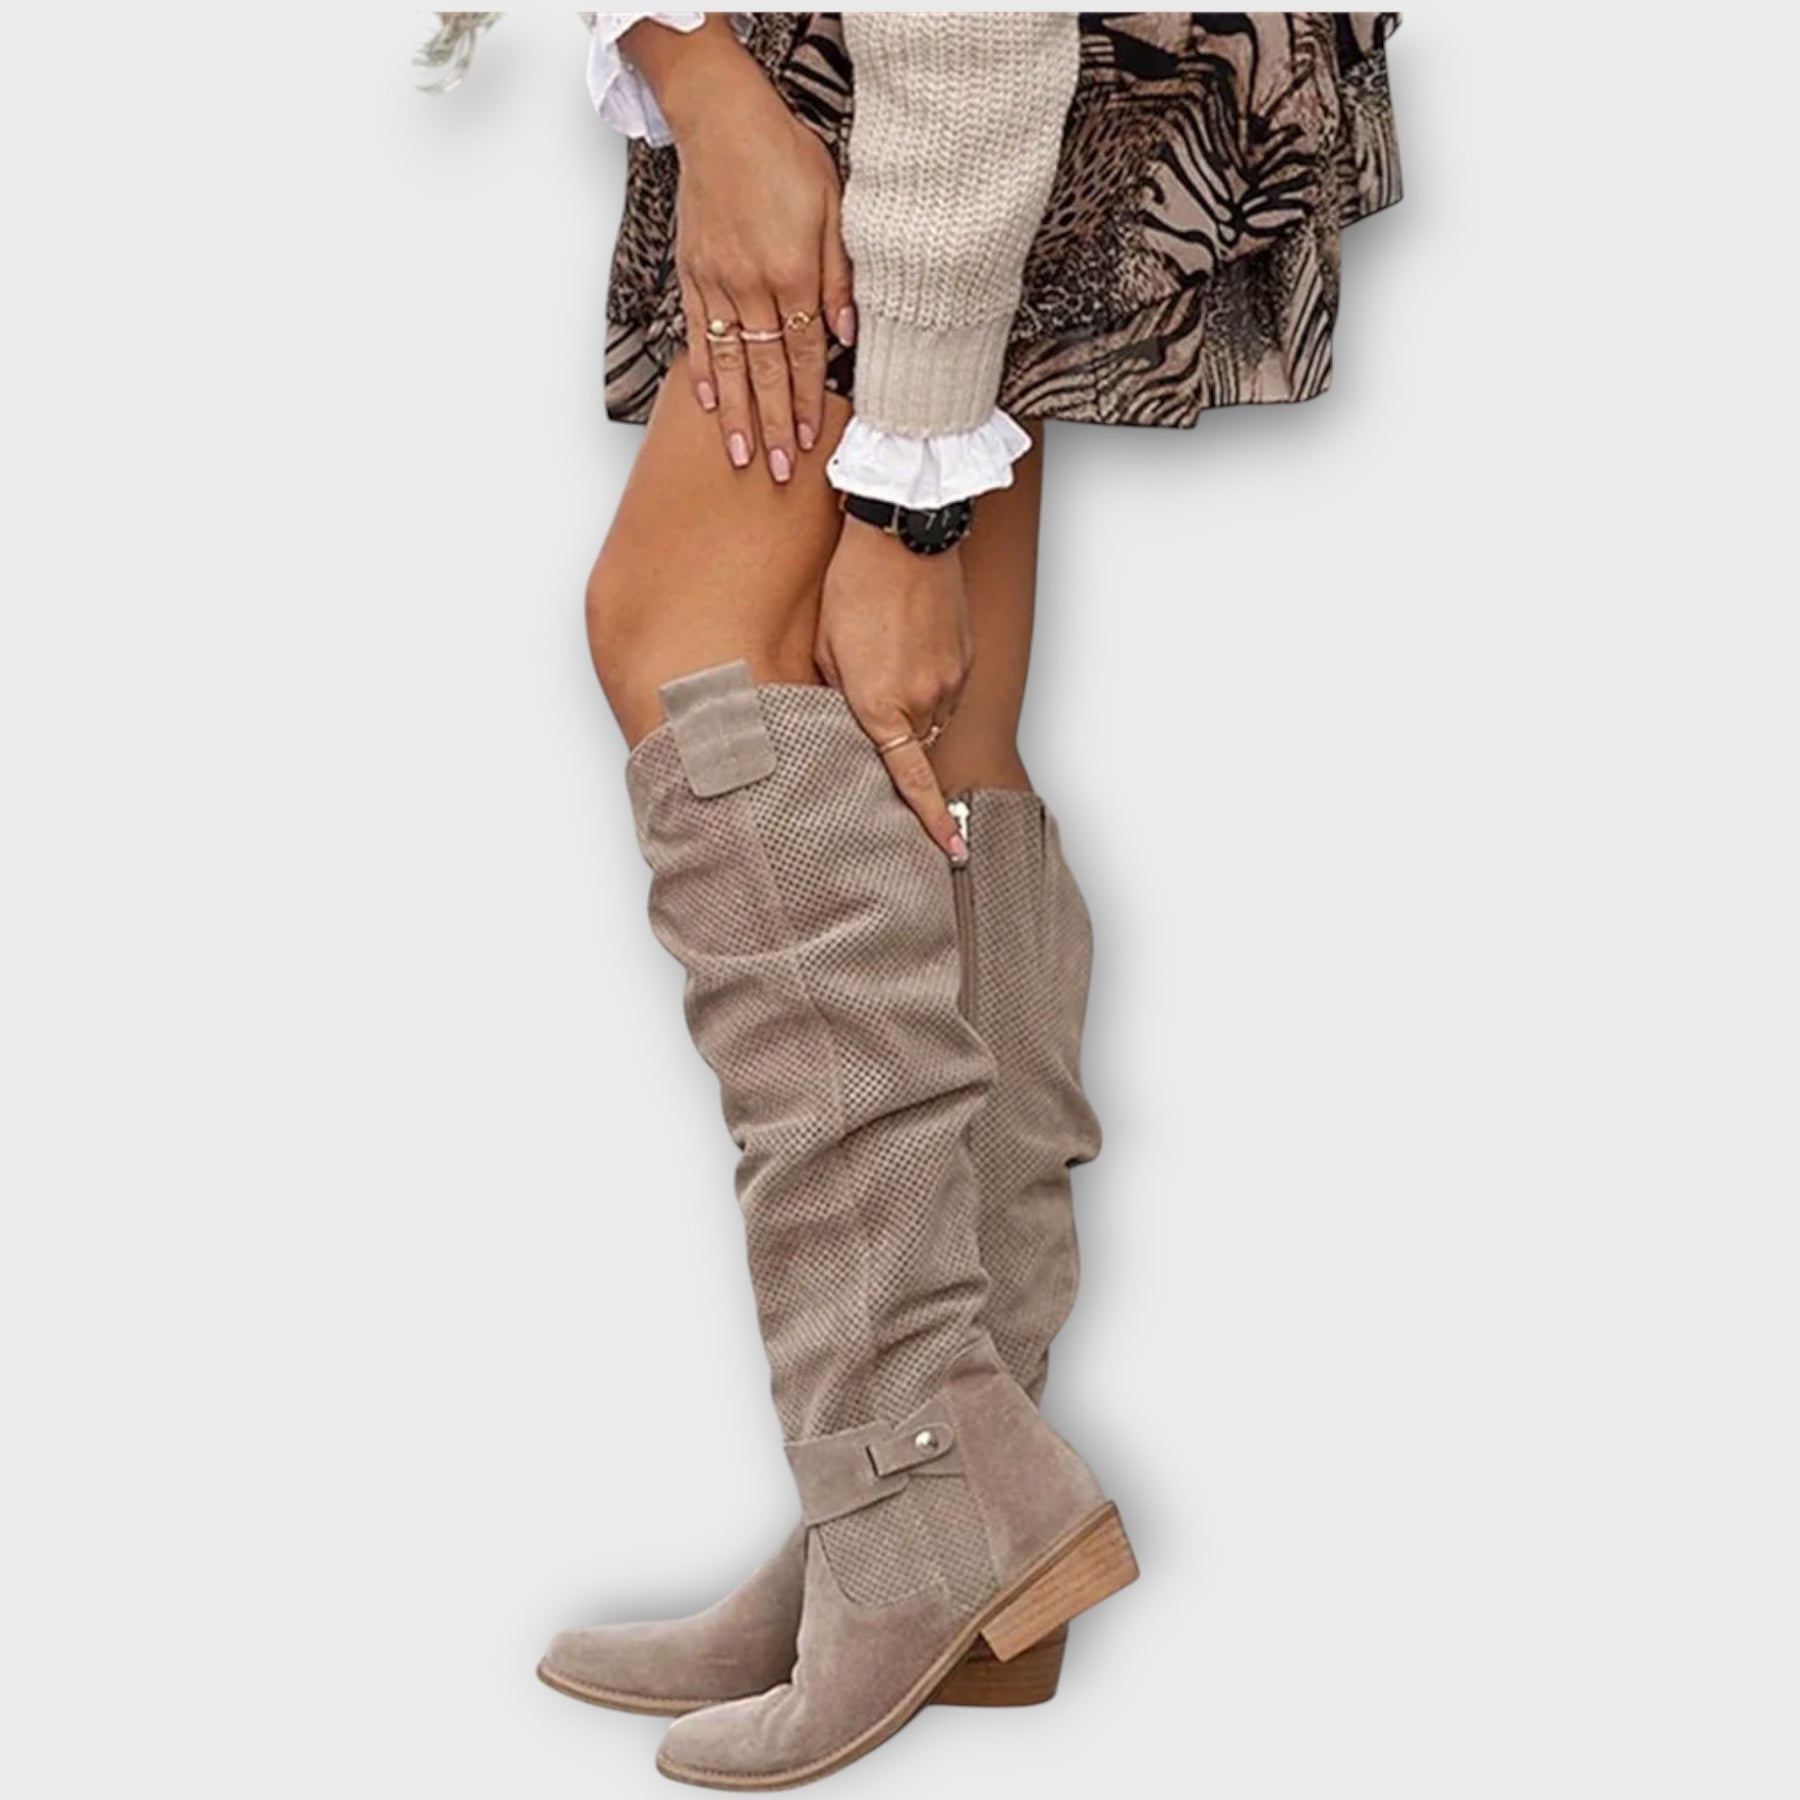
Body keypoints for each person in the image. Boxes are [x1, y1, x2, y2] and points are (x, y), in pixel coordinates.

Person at [428, 11, 1401, 1788]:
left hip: (962, 69)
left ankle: (923, 1493)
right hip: (933, 79)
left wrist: (907, 505)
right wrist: (691, 64)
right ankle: (941, 1535)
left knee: (690, 646)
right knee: (922, 742)